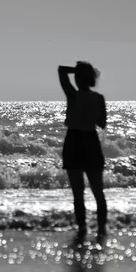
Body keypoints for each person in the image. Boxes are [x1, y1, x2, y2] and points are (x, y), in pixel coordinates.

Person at [58, 62, 107, 239]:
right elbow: (102, 124)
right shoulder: (99, 98)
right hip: (91, 142)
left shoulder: (73, 95)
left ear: (78, 78)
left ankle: (82, 229)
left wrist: (76, 70)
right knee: (98, 192)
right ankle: (102, 229)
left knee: (78, 193)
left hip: (73, 142)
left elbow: (61, 71)